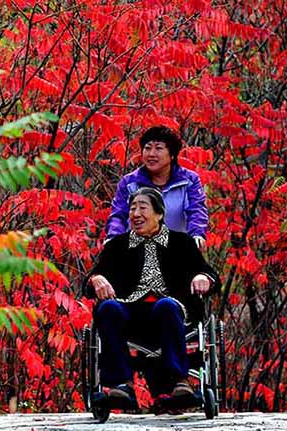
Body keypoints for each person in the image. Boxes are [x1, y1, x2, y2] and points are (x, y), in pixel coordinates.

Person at [85, 187, 220, 403]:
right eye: (132, 209)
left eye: (142, 207)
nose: (135, 214)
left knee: (165, 305)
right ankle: (122, 385)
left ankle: (179, 382)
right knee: (107, 308)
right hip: (128, 313)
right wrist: (96, 278)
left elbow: (211, 275)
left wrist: (203, 277)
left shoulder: (182, 243)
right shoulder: (118, 247)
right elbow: (91, 281)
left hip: (172, 312)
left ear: (159, 214)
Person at [106, 126, 208, 248]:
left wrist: (197, 234)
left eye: (159, 148)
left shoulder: (189, 180)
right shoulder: (129, 182)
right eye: (147, 148)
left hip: (177, 252)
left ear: (172, 155)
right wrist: (113, 237)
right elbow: (119, 214)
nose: (151, 154)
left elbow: (197, 210)